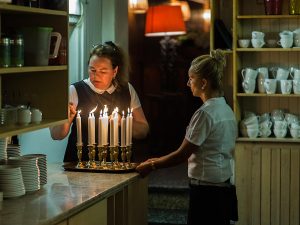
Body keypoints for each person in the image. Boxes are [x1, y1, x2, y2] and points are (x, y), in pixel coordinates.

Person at [136, 49, 238, 225]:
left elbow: (182, 154)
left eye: (191, 79)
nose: (187, 83)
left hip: (207, 192)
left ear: (204, 83)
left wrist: (152, 165)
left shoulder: (205, 114)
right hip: (223, 187)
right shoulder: (226, 109)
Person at [50, 41, 149, 162]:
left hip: (118, 162)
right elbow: (56, 135)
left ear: (115, 71)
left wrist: (123, 122)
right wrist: (66, 120)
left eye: (103, 71)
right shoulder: (75, 90)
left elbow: (143, 130)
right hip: (81, 163)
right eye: (92, 70)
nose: (96, 76)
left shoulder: (127, 90)